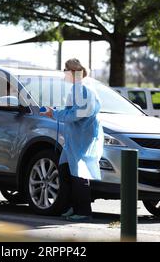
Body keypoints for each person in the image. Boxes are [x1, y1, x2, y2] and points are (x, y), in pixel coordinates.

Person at [41, 58, 104, 222]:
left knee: (79, 173)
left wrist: (53, 114)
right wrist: (57, 111)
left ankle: (83, 211)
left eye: (65, 69)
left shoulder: (83, 89)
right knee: (64, 170)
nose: (63, 72)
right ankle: (72, 206)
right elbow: (72, 111)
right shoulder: (78, 89)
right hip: (74, 138)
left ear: (73, 71)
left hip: (81, 137)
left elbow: (77, 114)